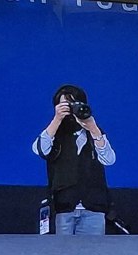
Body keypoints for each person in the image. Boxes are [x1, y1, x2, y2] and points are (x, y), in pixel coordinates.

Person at [32, 84, 116, 235]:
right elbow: (40, 149)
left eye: (74, 103)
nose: (71, 109)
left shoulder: (94, 131)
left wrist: (93, 128)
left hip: (94, 207)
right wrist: (57, 119)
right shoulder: (55, 133)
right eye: (65, 105)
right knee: (61, 249)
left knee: (94, 250)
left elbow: (109, 160)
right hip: (63, 207)